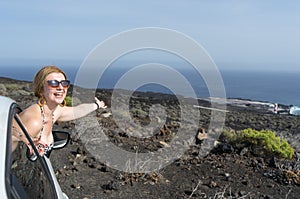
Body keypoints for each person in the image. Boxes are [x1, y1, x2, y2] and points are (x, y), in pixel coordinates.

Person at [12, 66, 106, 158]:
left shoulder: (55, 111)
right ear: (41, 89)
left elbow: (77, 110)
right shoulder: (35, 120)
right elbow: (6, 137)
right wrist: (27, 140)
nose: (61, 87)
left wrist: (97, 105)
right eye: (53, 83)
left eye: (64, 83)